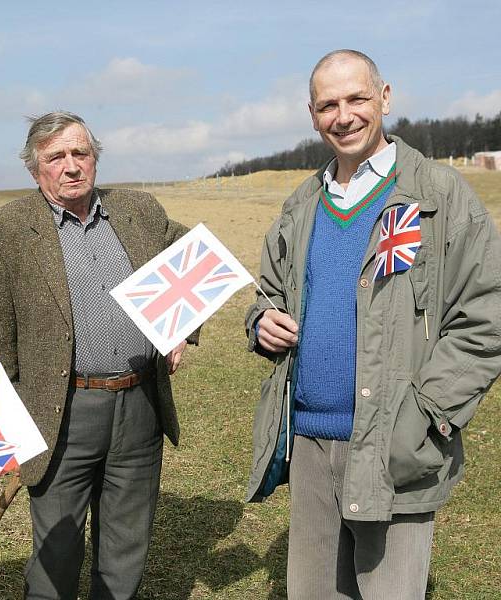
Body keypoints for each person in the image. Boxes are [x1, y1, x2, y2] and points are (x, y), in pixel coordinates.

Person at [244, 48, 501, 599]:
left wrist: (425, 416)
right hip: (309, 445)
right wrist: (262, 321)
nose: (344, 116)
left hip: (395, 444)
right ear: (312, 115)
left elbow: (485, 316)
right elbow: (268, 293)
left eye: (357, 98)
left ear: (384, 98)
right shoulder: (302, 204)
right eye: (328, 105)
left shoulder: (439, 194)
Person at [0, 111, 196, 599]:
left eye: (81, 153)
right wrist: (4, 432)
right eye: (57, 157)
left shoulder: (139, 210)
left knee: (125, 546)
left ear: (95, 158)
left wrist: (180, 325)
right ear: (36, 170)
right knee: (56, 553)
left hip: (139, 406)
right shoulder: (4, 231)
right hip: (60, 414)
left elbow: (193, 260)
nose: (72, 166)